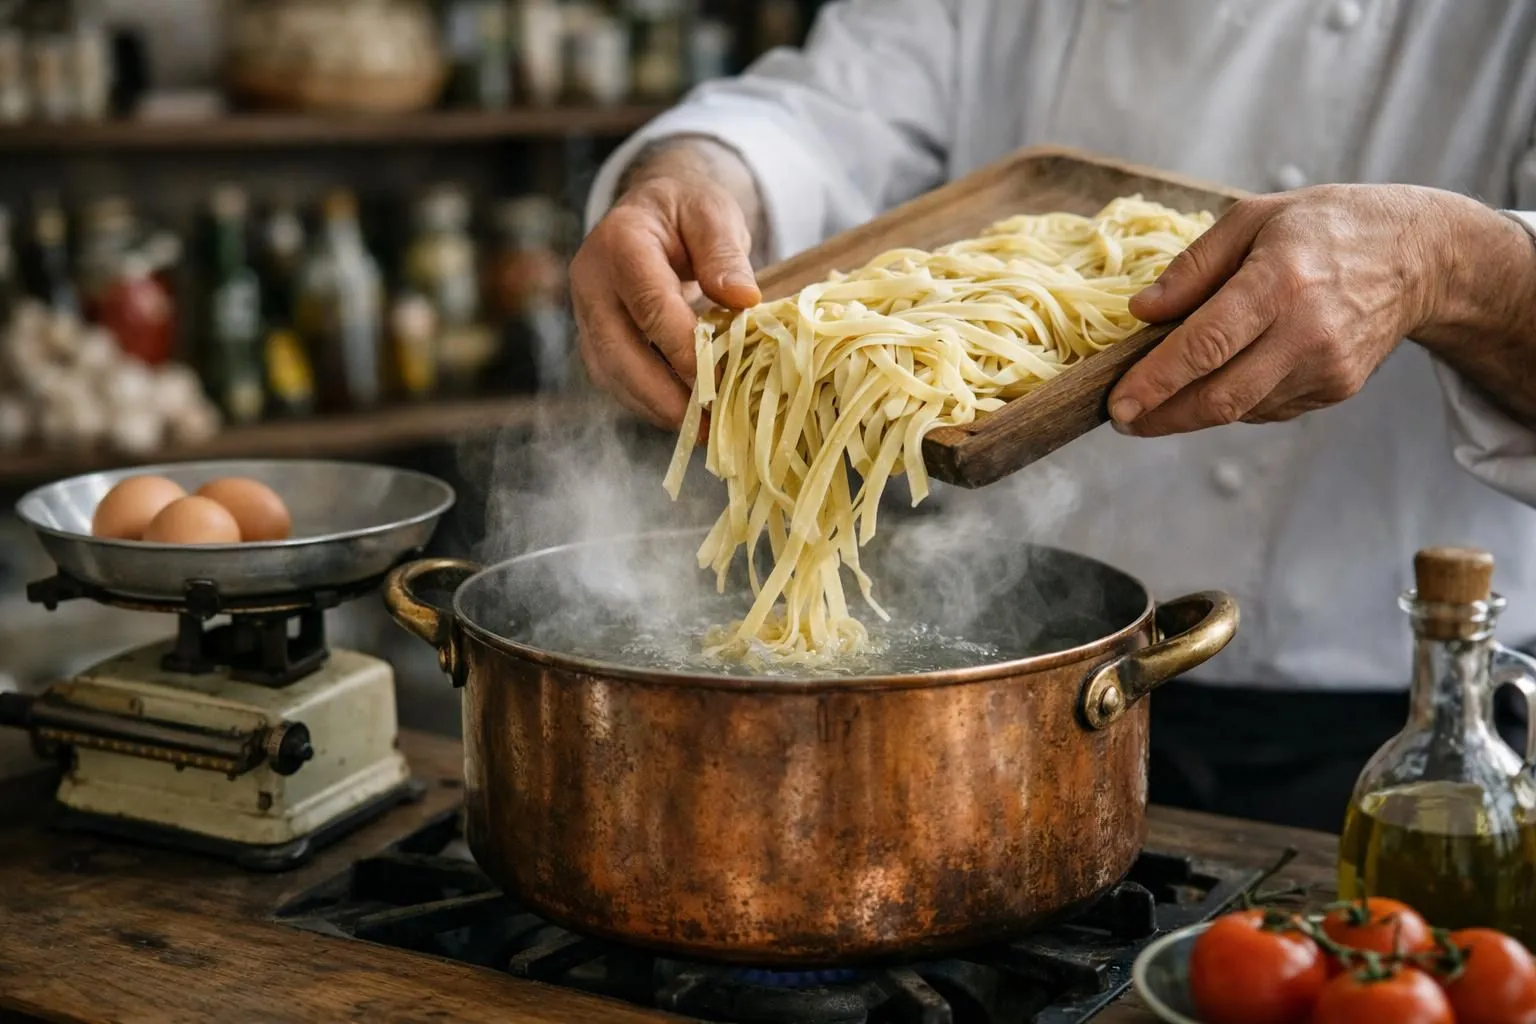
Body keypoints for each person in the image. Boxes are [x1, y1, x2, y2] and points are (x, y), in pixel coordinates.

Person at [570, 0, 1536, 832]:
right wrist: (695, 178)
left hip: (1417, 725)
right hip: (1013, 674)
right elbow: (823, 110)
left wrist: (1447, 264)